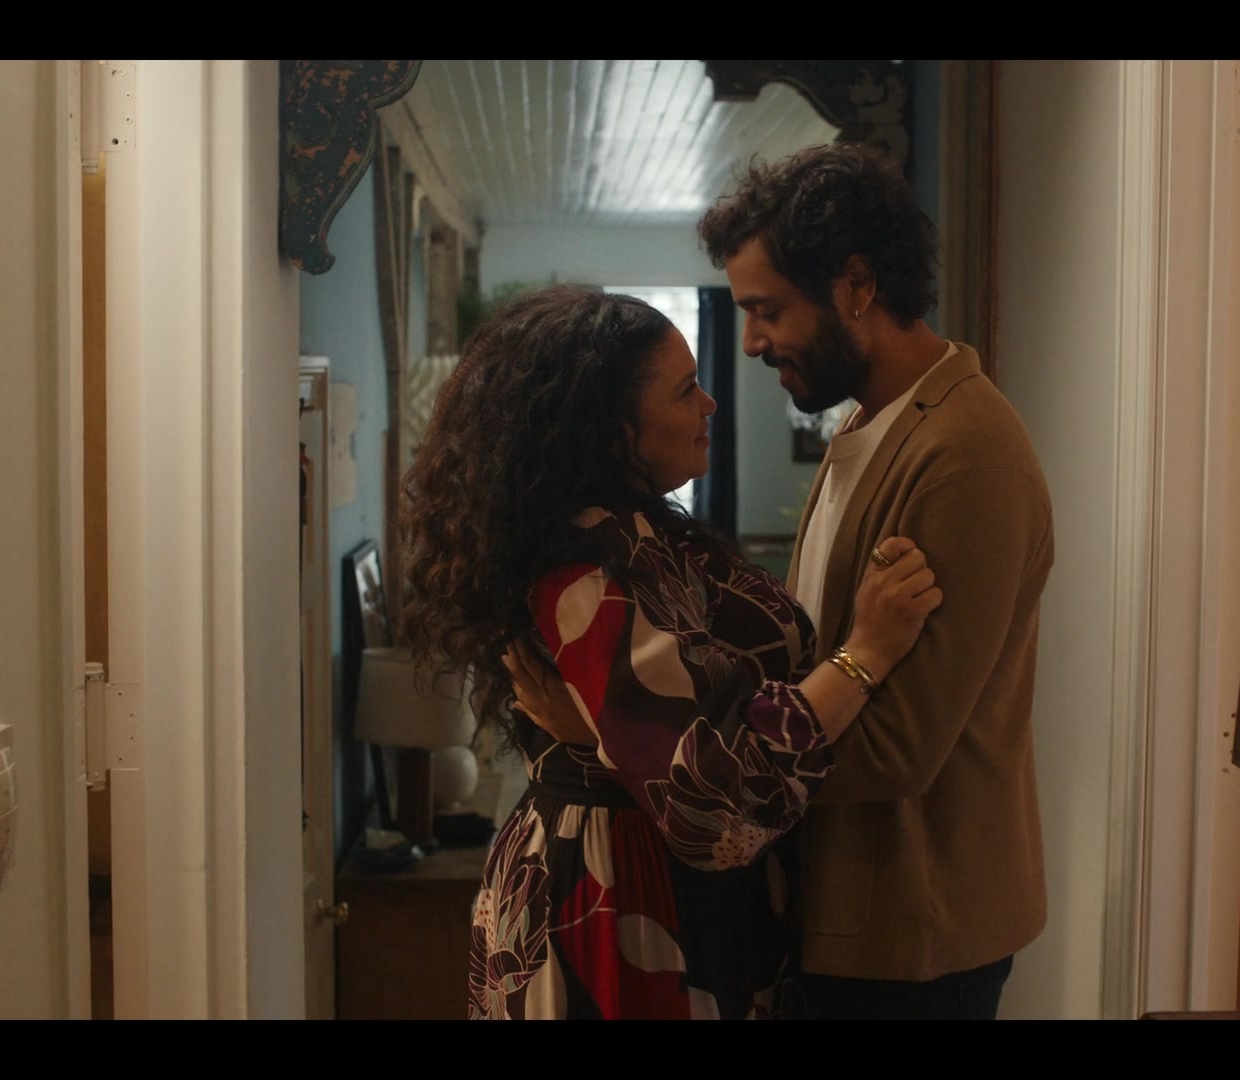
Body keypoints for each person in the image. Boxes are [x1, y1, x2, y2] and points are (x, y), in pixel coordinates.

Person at [516, 143, 1055, 1019]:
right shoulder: (867, 425)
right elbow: (813, 659)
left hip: (910, 930)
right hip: (840, 911)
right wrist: (652, 738)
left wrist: (647, 755)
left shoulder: (965, 456)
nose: (753, 343)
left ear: (856, 286)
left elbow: (900, 746)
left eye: (768, 310)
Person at [398, 284, 943, 1020]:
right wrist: (866, 654)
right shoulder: (586, 569)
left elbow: (679, 729)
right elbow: (713, 799)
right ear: (606, 428)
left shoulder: (639, 536)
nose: (710, 404)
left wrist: (611, 741)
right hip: (621, 899)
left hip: (657, 887)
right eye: (685, 390)